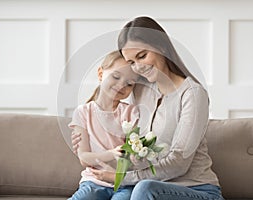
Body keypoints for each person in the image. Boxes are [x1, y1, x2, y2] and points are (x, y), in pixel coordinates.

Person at [72, 16, 224, 200]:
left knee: (143, 189)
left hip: (197, 189)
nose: (139, 67)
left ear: (161, 47)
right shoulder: (141, 88)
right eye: (132, 62)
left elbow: (179, 163)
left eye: (142, 56)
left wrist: (122, 178)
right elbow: (112, 89)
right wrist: (86, 128)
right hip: (150, 188)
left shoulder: (192, 94)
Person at [68, 50, 140, 200]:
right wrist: (111, 154)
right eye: (116, 76)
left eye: (129, 84)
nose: (121, 85)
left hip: (124, 184)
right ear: (101, 74)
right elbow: (84, 158)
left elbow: (134, 154)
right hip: (94, 182)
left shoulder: (131, 113)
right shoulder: (82, 113)